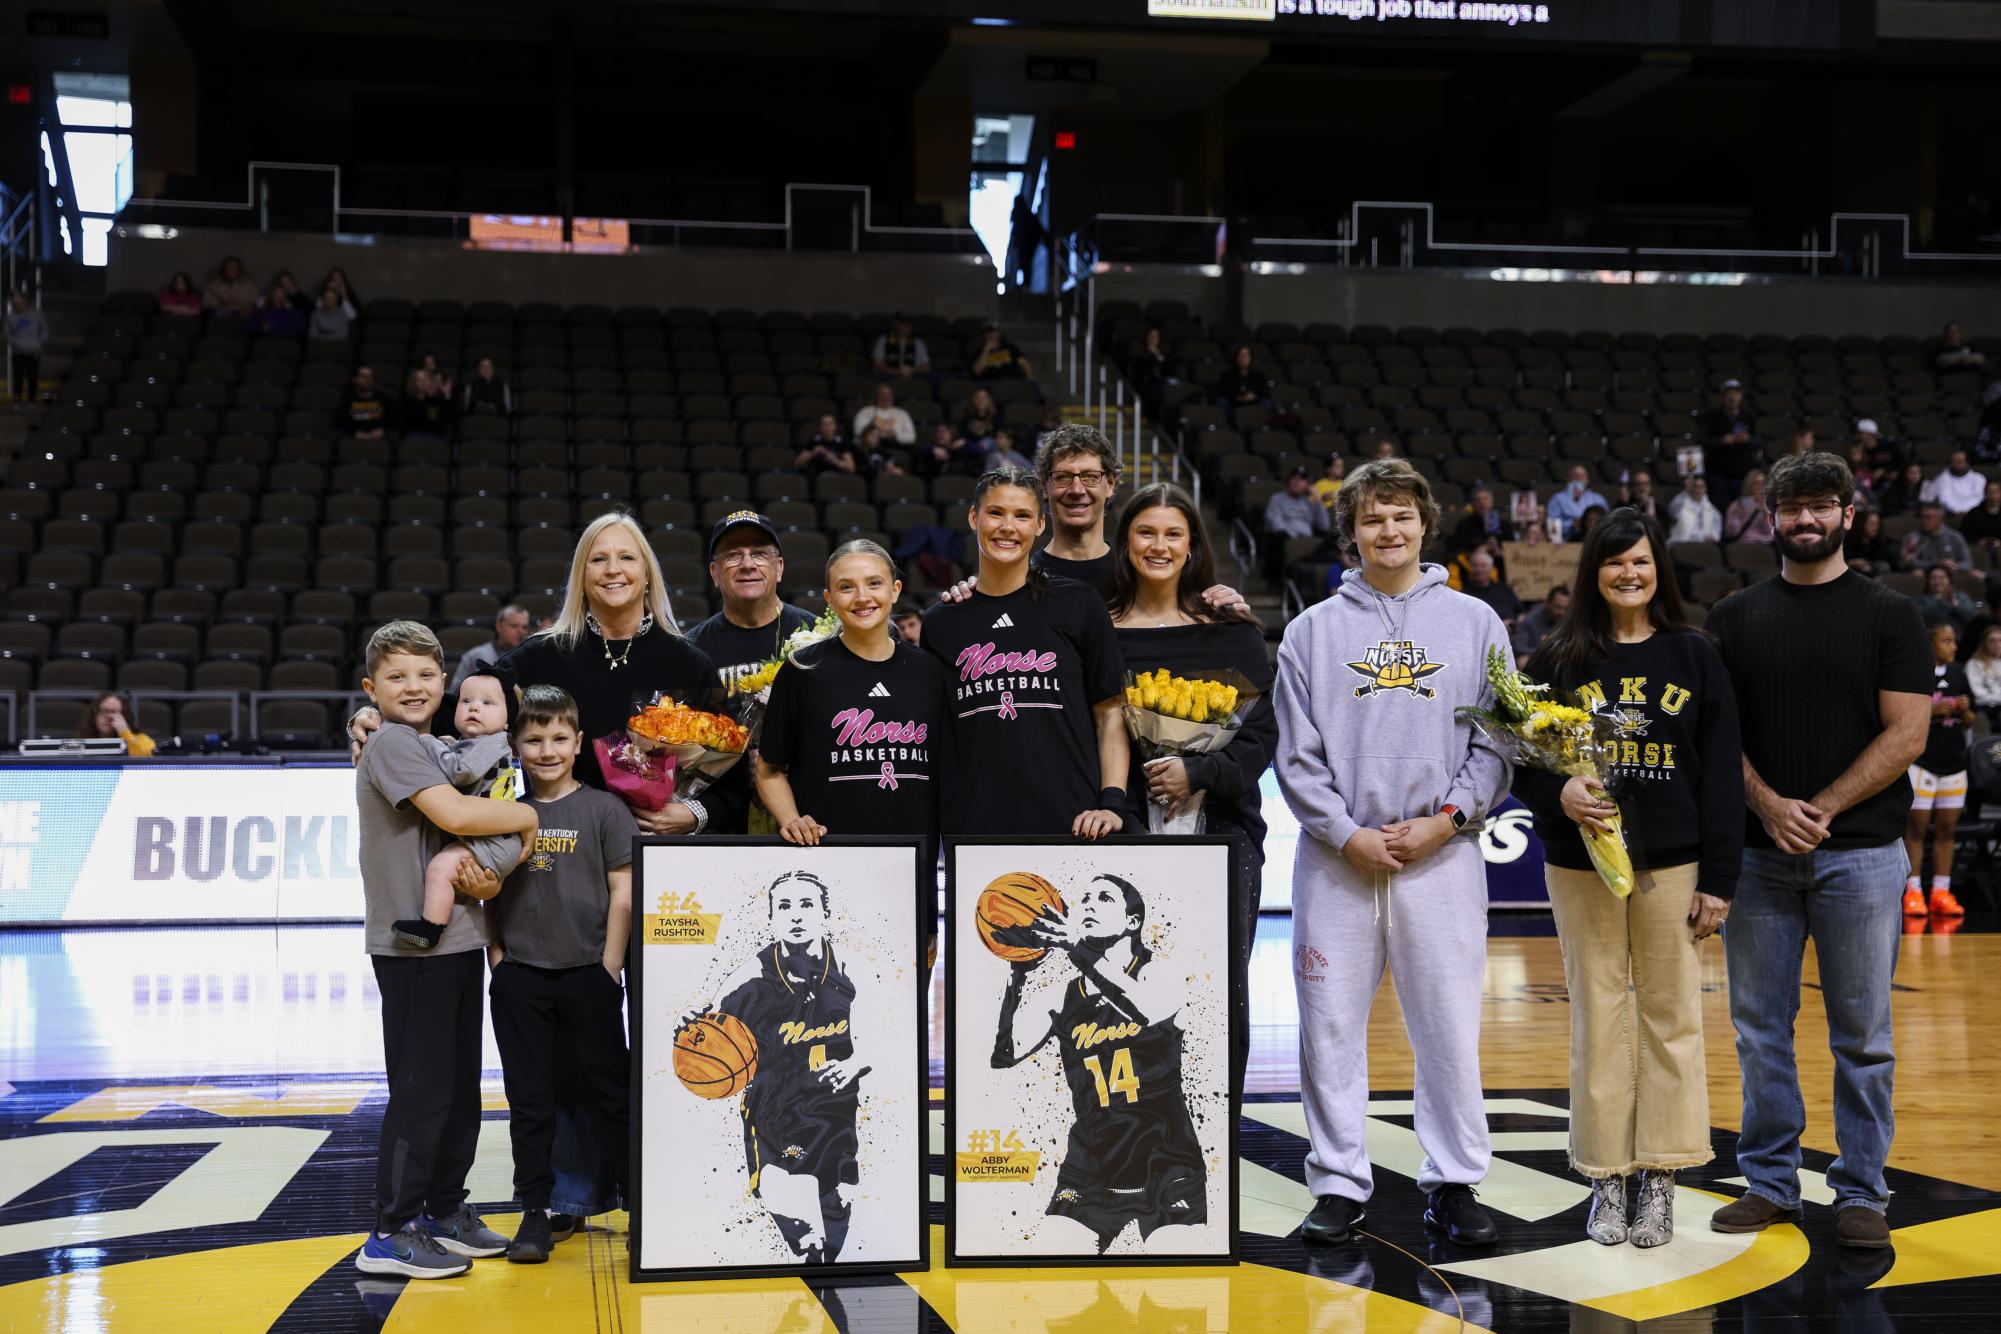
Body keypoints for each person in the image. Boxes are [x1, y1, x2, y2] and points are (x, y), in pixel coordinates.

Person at [352, 515, 730, 1232]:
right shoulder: (537, 657)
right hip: (552, 870)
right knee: (559, 1055)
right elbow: (458, 713)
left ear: (647, 571)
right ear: (580, 574)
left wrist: (696, 813)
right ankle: (567, 1193)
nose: (613, 570)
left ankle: (668, 1189)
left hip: (661, 873)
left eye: (627, 558)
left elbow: (733, 763)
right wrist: (368, 721)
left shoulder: (686, 662)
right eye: (598, 559)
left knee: (670, 1036)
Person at [1274, 456, 1514, 1248]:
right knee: (1328, 1029)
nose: (1387, 529)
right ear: (1350, 532)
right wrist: (1344, 833)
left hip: (1441, 855)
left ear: (1423, 524)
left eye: (1400, 515)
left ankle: (1454, 1182)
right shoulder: (1310, 632)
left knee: (1446, 1027)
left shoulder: (1476, 623)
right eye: (1371, 517)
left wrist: (1448, 819)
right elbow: (1295, 757)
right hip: (1336, 860)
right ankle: (1339, 1184)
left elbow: (1497, 743)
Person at [1704, 451, 1930, 1251]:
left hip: (1860, 855)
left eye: (1821, 505)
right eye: (1790, 506)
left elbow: (1908, 733)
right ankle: (1770, 1182)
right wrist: (1769, 806)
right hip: (1756, 856)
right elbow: (1712, 733)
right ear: (1769, 518)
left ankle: (1861, 1190)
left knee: (1861, 1036)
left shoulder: (1889, 614)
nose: (1805, 518)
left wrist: (1820, 808)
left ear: (1847, 515)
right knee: (1759, 1031)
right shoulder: (1732, 617)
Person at [1518, 508, 1743, 1249]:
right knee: (1598, 1012)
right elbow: (1516, 758)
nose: (1628, 573)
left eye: (1640, 561)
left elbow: (1721, 776)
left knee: (1671, 1015)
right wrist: (1557, 792)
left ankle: (1661, 1176)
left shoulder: (1694, 654)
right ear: (1594, 572)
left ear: (1658, 570)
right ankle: (1606, 1175)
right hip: (1580, 861)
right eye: (1615, 562)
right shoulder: (1558, 657)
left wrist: (1720, 879)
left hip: (1674, 863)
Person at [351, 621, 535, 1279]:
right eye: (397, 676)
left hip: (457, 936)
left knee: (459, 1089)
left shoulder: (437, 744)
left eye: (426, 675)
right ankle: (391, 1231)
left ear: (444, 681)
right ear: (371, 688)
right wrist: (529, 817)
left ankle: (444, 1208)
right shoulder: (392, 742)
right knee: (422, 1090)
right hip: (410, 944)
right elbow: (455, 817)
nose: (414, 686)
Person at [1106, 483, 1277, 1102]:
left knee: (1218, 986)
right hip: (1124, 832)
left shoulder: (1232, 630)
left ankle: (1215, 1124)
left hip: (1224, 833)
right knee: (1121, 987)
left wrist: (1197, 774)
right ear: (1125, 543)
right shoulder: (1098, 630)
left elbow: (1259, 738)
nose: (1159, 545)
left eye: (1173, 534)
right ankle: (1130, 1121)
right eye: (1146, 532)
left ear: (1192, 545)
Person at [486, 684, 638, 1264]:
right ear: (515, 745)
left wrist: (609, 967)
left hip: (588, 974)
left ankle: (638, 1206)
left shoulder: (605, 809)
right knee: (530, 1099)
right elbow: (487, 890)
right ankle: (535, 1211)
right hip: (522, 976)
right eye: (534, 740)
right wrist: (498, 958)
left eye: (558, 739)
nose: (546, 750)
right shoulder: (502, 812)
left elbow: (623, 891)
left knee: (609, 1092)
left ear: (578, 743)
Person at [990, 873, 1207, 1254]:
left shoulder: (1160, 972)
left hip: (1165, 1160)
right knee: (1057, 1270)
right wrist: (1018, 972)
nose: (1089, 903)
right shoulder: (1062, 995)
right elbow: (1005, 1055)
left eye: (1104, 898)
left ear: (1132, 922)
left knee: (1180, 1278)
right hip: (1092, 1164)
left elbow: (1144, 1011)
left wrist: (1077, 949)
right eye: (1085, 898)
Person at [919, 466, 1128, 840]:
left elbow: (1110, 711)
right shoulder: (940, 623)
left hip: (1073, 821)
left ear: (1040, 524)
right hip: (974, 828)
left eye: (1022, 515)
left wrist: (1112, 803)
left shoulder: (1078, 602)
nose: (1007, 527)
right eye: (995, 513)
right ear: (974, 517)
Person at [684, 871, 873, 1262]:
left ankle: (827, 1255)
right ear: (771, 918)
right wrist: (688, 1023)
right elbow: (707, 1022)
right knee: (774, 1190)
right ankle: (807, 1247)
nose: (796, 914)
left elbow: (886, 1030)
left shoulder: (849, 968)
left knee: (836, 1195)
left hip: (833, 1104)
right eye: (784, 906)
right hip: (773, 1103)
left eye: (806, 905)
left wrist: (856, 1062)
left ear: (826, 914)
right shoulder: (751, 973)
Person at [755, 540, 948, 865]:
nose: (862, 597)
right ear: (829, 598)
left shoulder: (930, 671)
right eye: (846, 587)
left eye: (874, 583)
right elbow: (768, 770)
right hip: (828, 856)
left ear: (895, 590)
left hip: (914, 857)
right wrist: (792, 819)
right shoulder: (803, 670)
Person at [391, 668, 529, 951]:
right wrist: (446, 744)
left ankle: (431, 928)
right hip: (493, 836)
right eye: (466, 700)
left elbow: (459, 771)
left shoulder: (492, 743)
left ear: (507, 720)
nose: (474, 707)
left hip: (495, 841)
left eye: (488, 702)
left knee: (440, 868)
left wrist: (427, 741)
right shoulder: (478, 744)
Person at [1902, 622, 1973, 923]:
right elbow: (1901, 715)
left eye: (1953, 641)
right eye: (1946, 641)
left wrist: (1965, 711)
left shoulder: (1958, 673)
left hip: (1954, 762)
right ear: (1931, 644)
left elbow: (1969, 721)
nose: (1953, 647)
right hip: (1923, 762)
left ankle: (1941, 891)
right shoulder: (1916, 673)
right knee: (1917, 830)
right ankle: (1913, 890)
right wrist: (1933, 710)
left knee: (1947, 830)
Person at [451, 605, 533, 690]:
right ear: (499, 626)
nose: (521, 631)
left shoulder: (530, 658)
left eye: (524, 627)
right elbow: (455, 691)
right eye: (514, 626)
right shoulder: (475, 655)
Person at [1701, 379, 1755, 506]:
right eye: (1728, 393)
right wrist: (1720, 441)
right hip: (1718, 475)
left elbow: (1760, 441)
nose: (1732, 397)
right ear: (1722, 396)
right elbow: (1702, 441)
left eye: (1736, 393)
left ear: (1741, 396)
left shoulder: (1748, 418)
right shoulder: (1710, 418)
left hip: (1742, 474)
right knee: (1720, 508)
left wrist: (1748, 439)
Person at [75, 688, 156, 755]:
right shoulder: (80, 742)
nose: (109, 717)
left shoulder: (142, 740)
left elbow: (142, 761)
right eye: (104, 711)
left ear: (124, 716)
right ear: (94, 715)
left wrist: (125, 732)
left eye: (114, 712)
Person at [1899, 501, 1973, 572]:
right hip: (1924, 574)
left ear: (1940, 519)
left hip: (1949, 575)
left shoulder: (1954, 537)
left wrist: (1954, 566)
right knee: (1917, 573)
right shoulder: (1912, 538)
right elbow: (1906, 562)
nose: (1923, 521)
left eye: (1928, 517)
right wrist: (1936, 564)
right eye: (1922, 517)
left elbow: (1967, 564)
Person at [1265, 466, 1332, 546]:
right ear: (1289, 481)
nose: (1296, 482)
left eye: (1301, 479)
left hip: (1308, 541)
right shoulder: (1277, 499)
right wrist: (1294, 541)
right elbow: (1276, 525)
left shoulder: (1309, 502)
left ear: (1307, 484)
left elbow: (1324, 526)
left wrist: (1318, 499)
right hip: (1287, 541)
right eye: (1294, 478)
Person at [1460, 548, 1522, 629]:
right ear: (1470, 569)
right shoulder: (1464, 595)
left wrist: (1516, 623)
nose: (1479, 570)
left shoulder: (1504, 589)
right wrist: (1499, 626)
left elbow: (1521, 613)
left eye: (1483, 566)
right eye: (1475, 566)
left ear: (1491, 569)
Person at [1548, 466, 1612, 540]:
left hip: (1594, 539)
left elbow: (1607, 522)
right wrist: (1572, 524)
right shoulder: (1557, 499)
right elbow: (1552, 525)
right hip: (1565, 541)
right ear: (1568, 479)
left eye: (1583, 476)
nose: (1579, 478)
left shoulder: (1598, 499)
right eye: (1575, 475)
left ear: (1587, 480)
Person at [5, 289, 47, 403]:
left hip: (34, 350)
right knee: (18, 376)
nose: (17, 301)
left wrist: (38, 342)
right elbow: (7, 334)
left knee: (32, 376)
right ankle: (17, 399)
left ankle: (31, 399)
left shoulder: (37, 314)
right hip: (18, 352)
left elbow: (44, 330)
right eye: (14, 299)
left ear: (24, 299)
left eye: (19, 298)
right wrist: (16, 343)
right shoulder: (10, 317)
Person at [1511, 584, 1569, 666]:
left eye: (1565, 608)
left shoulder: (1568, 619)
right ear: (1548, 602)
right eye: (1557, 607)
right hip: (1536, 659)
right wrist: (1542, 649)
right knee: (1522, 660)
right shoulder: (1530, 620)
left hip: (1560, 659)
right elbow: (1519, 648)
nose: (1561, 612)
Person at [1912, 563, 1977, 633]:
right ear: (1928, 581)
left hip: (1959, 635)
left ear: (1949, 580)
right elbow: (1917, 619)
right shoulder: (1919, 599)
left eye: (1942, 578)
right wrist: (1938, 601)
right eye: (1933, 578)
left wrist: (1956, 605)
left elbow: (1972, 618)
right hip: (1932, 635)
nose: (1937, 582)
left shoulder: (1961, 596)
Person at [1921, 448, 1986, 516]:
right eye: (1953, 461)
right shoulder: (1941, 479)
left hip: (1975, 514)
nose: (1956, 464)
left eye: (1959, 461)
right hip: (1950, 515)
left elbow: (1979, 498)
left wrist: (1969, 512)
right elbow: (1945, 500)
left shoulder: (1979, 478)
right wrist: (1960, 512)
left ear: (1967, 463)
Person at [337, 365, 393, 440]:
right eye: (363, 376)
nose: (367, 379)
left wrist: (382, 431)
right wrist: (355, 433)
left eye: (370, 376)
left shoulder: (385, 399)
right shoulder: (347, 399)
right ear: (354, 380)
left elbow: (392, 421)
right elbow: (340, 423)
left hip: (380, 438)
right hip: (354, 438)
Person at [1451, 486, 1514, 552]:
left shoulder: (1504, 525)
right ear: (1473, 504)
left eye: (1485, 499)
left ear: (1492, 503)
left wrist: (1499, 551)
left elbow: (1512, 551)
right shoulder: (1463, 525)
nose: (1482, 502)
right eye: (1477, 499)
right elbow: (1456, 550)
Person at [1722, 469, 1776, 544]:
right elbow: (1731, 533)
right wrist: (1735, 517)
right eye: (1757, 483)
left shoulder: (1769, 504)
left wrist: (1764, 512)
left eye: (1763, 483)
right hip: (1744, 544)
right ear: (1749, 484)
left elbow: (1770, 532)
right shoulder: (1737, 504)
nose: (1761, 486)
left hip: (1764, 544)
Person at [871, 313, 930, 380]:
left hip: (913, 374)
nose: (905, 327)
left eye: (908, 325)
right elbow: (877, 365)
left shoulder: (918, 342)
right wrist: (897, 372)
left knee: (935, 376)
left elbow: (926, 366)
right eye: (902, 324)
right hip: (889, 374)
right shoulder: (883, 340)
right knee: (875, 375)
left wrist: (912, 370)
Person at [403, 367, 456, 440]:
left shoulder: (435, 401)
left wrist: (447, 394)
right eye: (419, 379)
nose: (423, 382)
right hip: (414, 437)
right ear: (413, 382)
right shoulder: (407, 401)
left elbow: (448, 417)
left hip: (435, 437)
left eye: (425, 379)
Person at [1667, 476, 1723, 544]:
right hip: (1684, 542)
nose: (1698, 489)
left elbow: (1716, 531)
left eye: (1701, 487)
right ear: (1691, 488)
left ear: (1705, 489)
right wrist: (1686, 492)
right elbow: (1672, 511)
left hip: (1703, 543)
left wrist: (1713, 537)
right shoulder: (1682, 502)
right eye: (1695, 486)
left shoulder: (1711, 509)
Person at [1965, 625, 2001, 729]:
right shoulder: (1974, 664)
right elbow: (1978, 693)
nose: (1997, 644)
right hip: (1984, 707)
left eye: (2000, 640)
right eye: (1992, 641)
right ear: (1985, 644)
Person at [1216, 344, 1271, 412]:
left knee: (1267, 402)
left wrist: (1254, 396)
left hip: (1254, 401)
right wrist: (1239, 397)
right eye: (1241, 354)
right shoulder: (1227, 375)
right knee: (1222, 402)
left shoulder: (1258, 375)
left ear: (1251, 358)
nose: (1244, 357)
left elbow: (1264, 392)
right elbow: (1224, 393)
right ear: (1236, 357)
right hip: (1234, 402)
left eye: (1247, 355)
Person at [459, 355, 515, 420]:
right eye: (483, 367)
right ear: (479, 369)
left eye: (489, 366)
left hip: (497, 418)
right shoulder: (472, 385)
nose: (486, 369)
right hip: (476, 418)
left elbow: (507, 409)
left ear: (493, 369)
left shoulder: (502, 385)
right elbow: (468, 407)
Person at [1857, 420, 1906, 494]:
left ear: (1871, 434)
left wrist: (1884, 471)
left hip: (1894, 483)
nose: (1859, 436)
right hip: (1872, 486)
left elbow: (1903, 463)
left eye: (1861, 433)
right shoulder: (1861, 450)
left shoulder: (1889, 446)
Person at [1844, 509, 1894, 577]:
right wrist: (1852, 563)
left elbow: (1890, 562)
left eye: (1877, 524)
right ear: (1862, 524)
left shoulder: (1880, 542)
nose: (1875, 527)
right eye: (1872, 524)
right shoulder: (1848, 541)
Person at [1959, 480, 2001, 549]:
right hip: (1978, 549)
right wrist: (1977, 541)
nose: (1993, 495)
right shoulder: (1974, 513)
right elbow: (1964, 535)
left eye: (1996, 492)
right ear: (1984, 493)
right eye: (1989, 492)